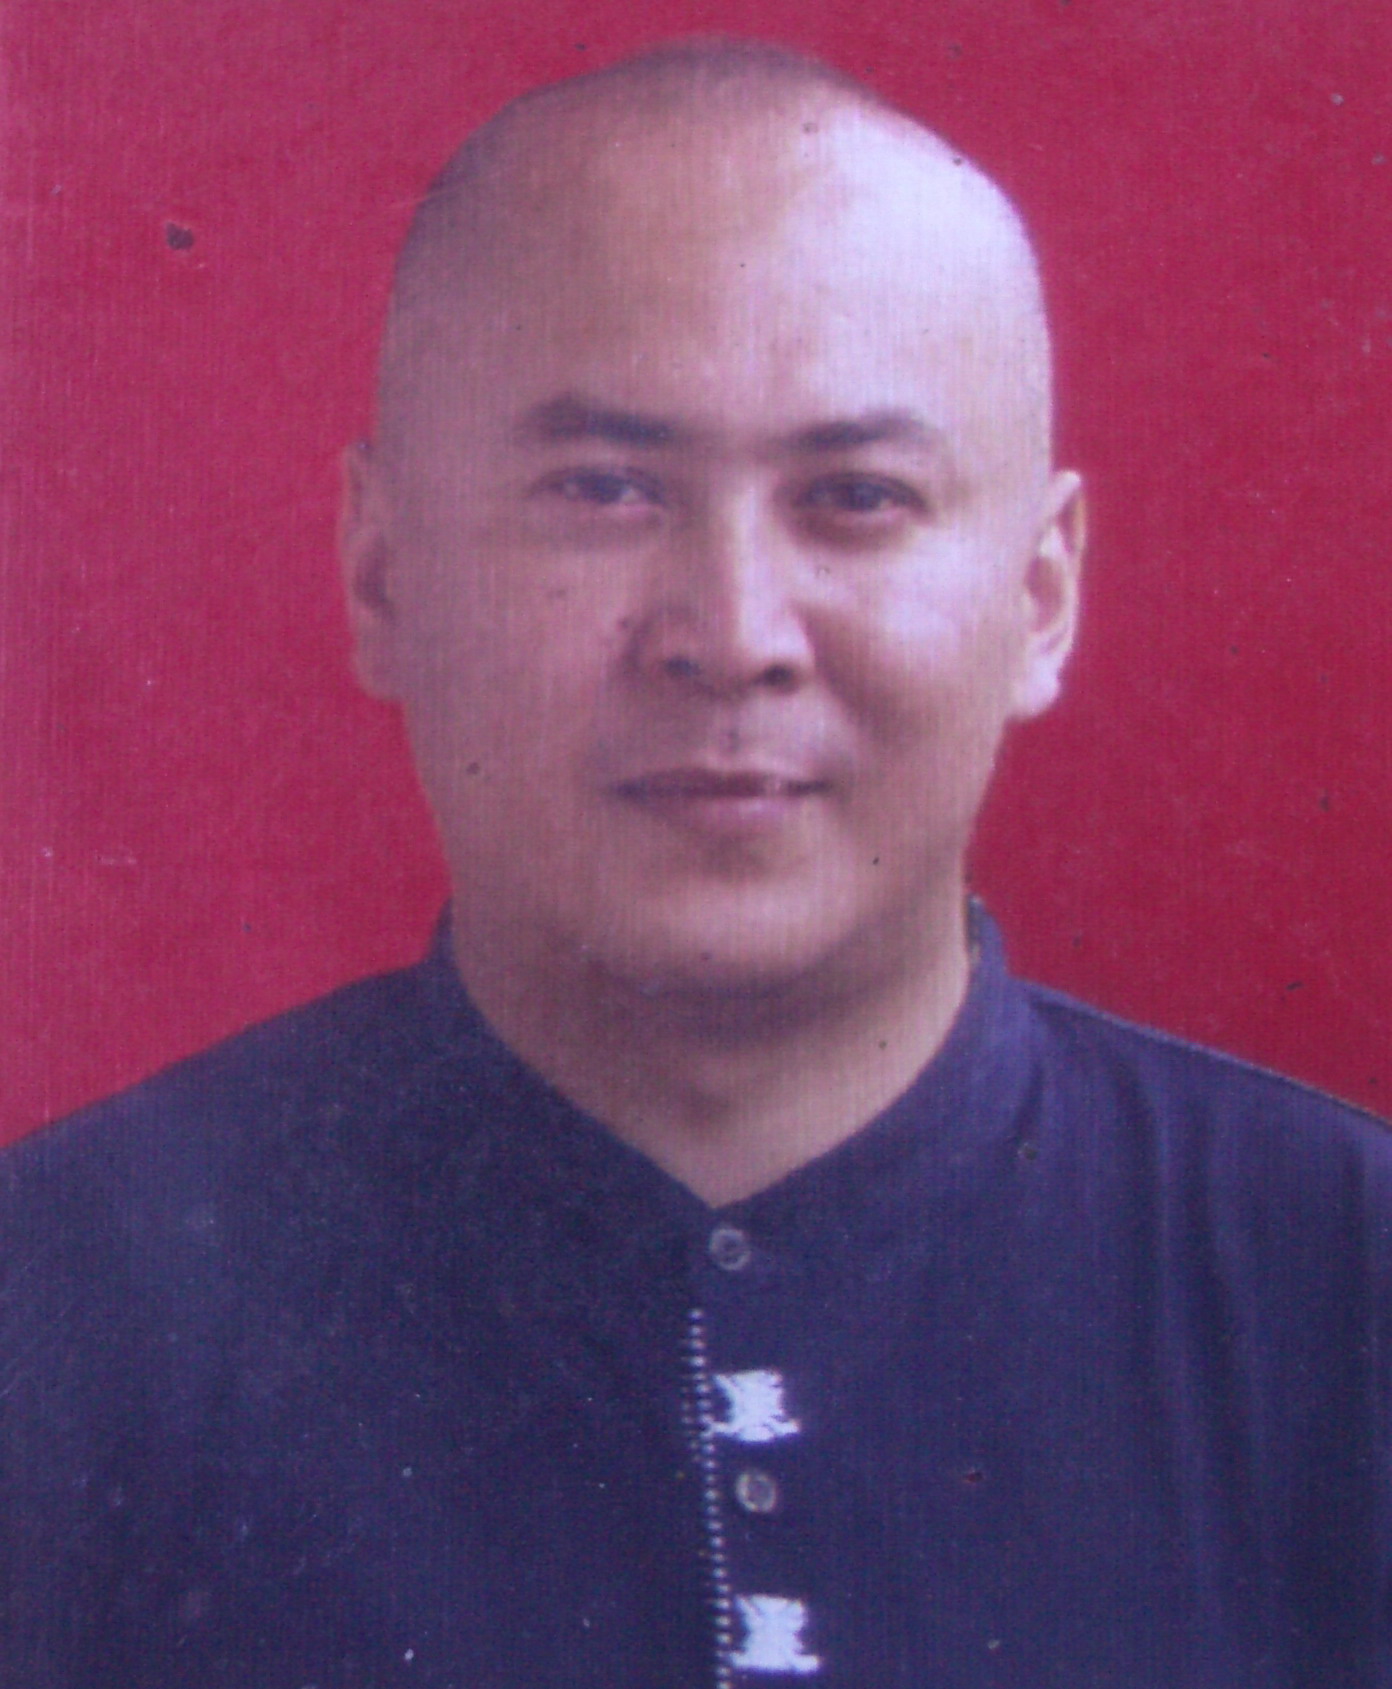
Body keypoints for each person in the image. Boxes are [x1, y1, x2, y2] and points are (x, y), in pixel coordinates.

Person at [2, 37, 1389, 1689]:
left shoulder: (1345, 1288)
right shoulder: (57, 1298)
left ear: (1041, 596)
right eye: (604, 489)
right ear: (381, 577)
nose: (730, 635)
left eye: (856, 496)